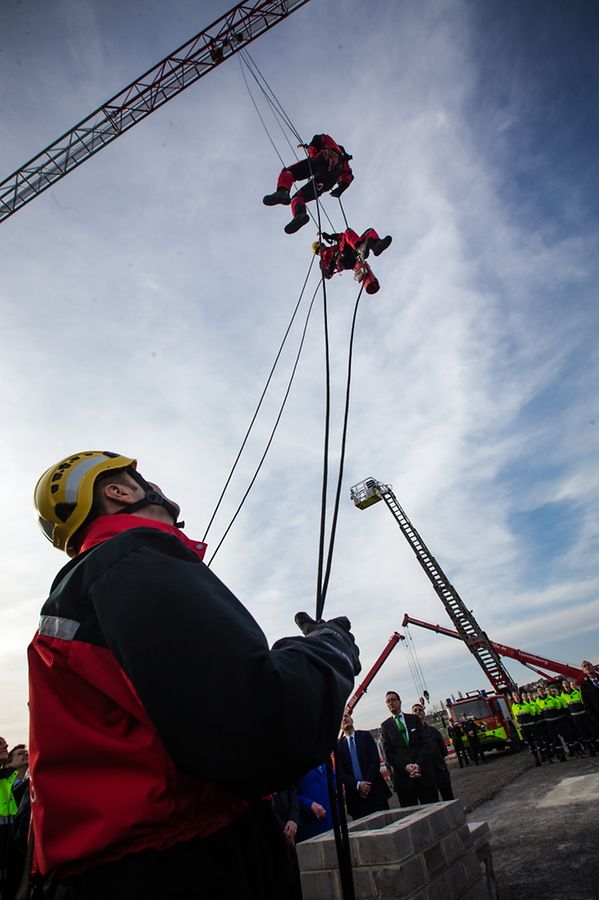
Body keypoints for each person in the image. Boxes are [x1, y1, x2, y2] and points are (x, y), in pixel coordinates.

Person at [29, 450, 360, 899]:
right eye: (137, 476)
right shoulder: (133, 561)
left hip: (132, 869)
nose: (152, 484)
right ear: (117, 490)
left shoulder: (86, 593)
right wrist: (329, 650)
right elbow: (259, 728)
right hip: (186, 865)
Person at [263, 134, 353, 234]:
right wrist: (341, 188)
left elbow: (318, 139)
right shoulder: (343, 161)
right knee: (298, 196)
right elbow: (348, 175)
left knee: (289, 172)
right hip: (329, 180)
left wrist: (311, 151)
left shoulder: (329, 142)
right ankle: (300, 214)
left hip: (322, 160)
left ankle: (282, 191)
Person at [380, 691, 438, 808]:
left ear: (400, 702)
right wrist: (406, 767)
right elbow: (389, 753)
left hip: (423, 775)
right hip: (404, 781)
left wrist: (418, 765)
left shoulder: (413, 719)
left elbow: (426, 744)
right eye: (388, 701)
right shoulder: (386, 726)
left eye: (393, 699)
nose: (391, 703)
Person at [336, 712, 391, 820]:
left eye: (346, 716)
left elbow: (375, 761)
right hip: (356, 798)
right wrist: (357, 785)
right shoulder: (338, 747)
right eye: (341, 718)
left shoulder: (365, 736)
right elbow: (340, 772)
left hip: (375, 792)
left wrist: (366, 784)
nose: (344, 718)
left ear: (352, 720)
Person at [312, 228, 392, 295]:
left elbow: (341, 236)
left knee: (369, 232)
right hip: (344, 260)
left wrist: (329, 236)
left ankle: (376, 246)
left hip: (351, 253)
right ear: (317, 253)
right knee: (347, 233)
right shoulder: (323, 260)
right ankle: (360, 249)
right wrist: (331, 264)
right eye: (319, 249)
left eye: (322, 245)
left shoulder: (334, 247)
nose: (322, 248)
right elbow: (327, 275)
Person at [411, 704, 454, 800]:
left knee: (448, 798)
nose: (418, 712)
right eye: (415, 710)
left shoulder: (434, 731)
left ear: (424, 712)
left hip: (440, 770)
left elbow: (443, 750)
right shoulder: (412, 735)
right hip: (425, 775)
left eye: (420, 710)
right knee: (432, 802)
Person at [271, 787, 302, 900]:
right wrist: (284, 831)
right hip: (275, 836)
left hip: (293, 834)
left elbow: (293, 796)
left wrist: (293, 820)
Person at [296, 763, 335, 843]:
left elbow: (333, 778)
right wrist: (309, 805)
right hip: (311, 826)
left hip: (331, 822)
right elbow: (291, 795)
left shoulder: (325, 757)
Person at [580, 660, 599, 735]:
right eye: (584, 666)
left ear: (594, 667)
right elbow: (587, 706)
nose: (587, 666)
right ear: (583, 671)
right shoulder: (584, 687)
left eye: (589, 664)